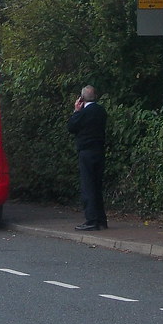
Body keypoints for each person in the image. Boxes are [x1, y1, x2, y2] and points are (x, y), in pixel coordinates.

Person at [66, 84, 108, 231]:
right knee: (97, 185)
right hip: (99, 150)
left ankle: (91, 220)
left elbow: (71, 127)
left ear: (82, 98)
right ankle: (102, 219)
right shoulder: (101, 111)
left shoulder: (83, 113)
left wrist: (76, 111)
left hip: (86, 151)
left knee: (88, 186)